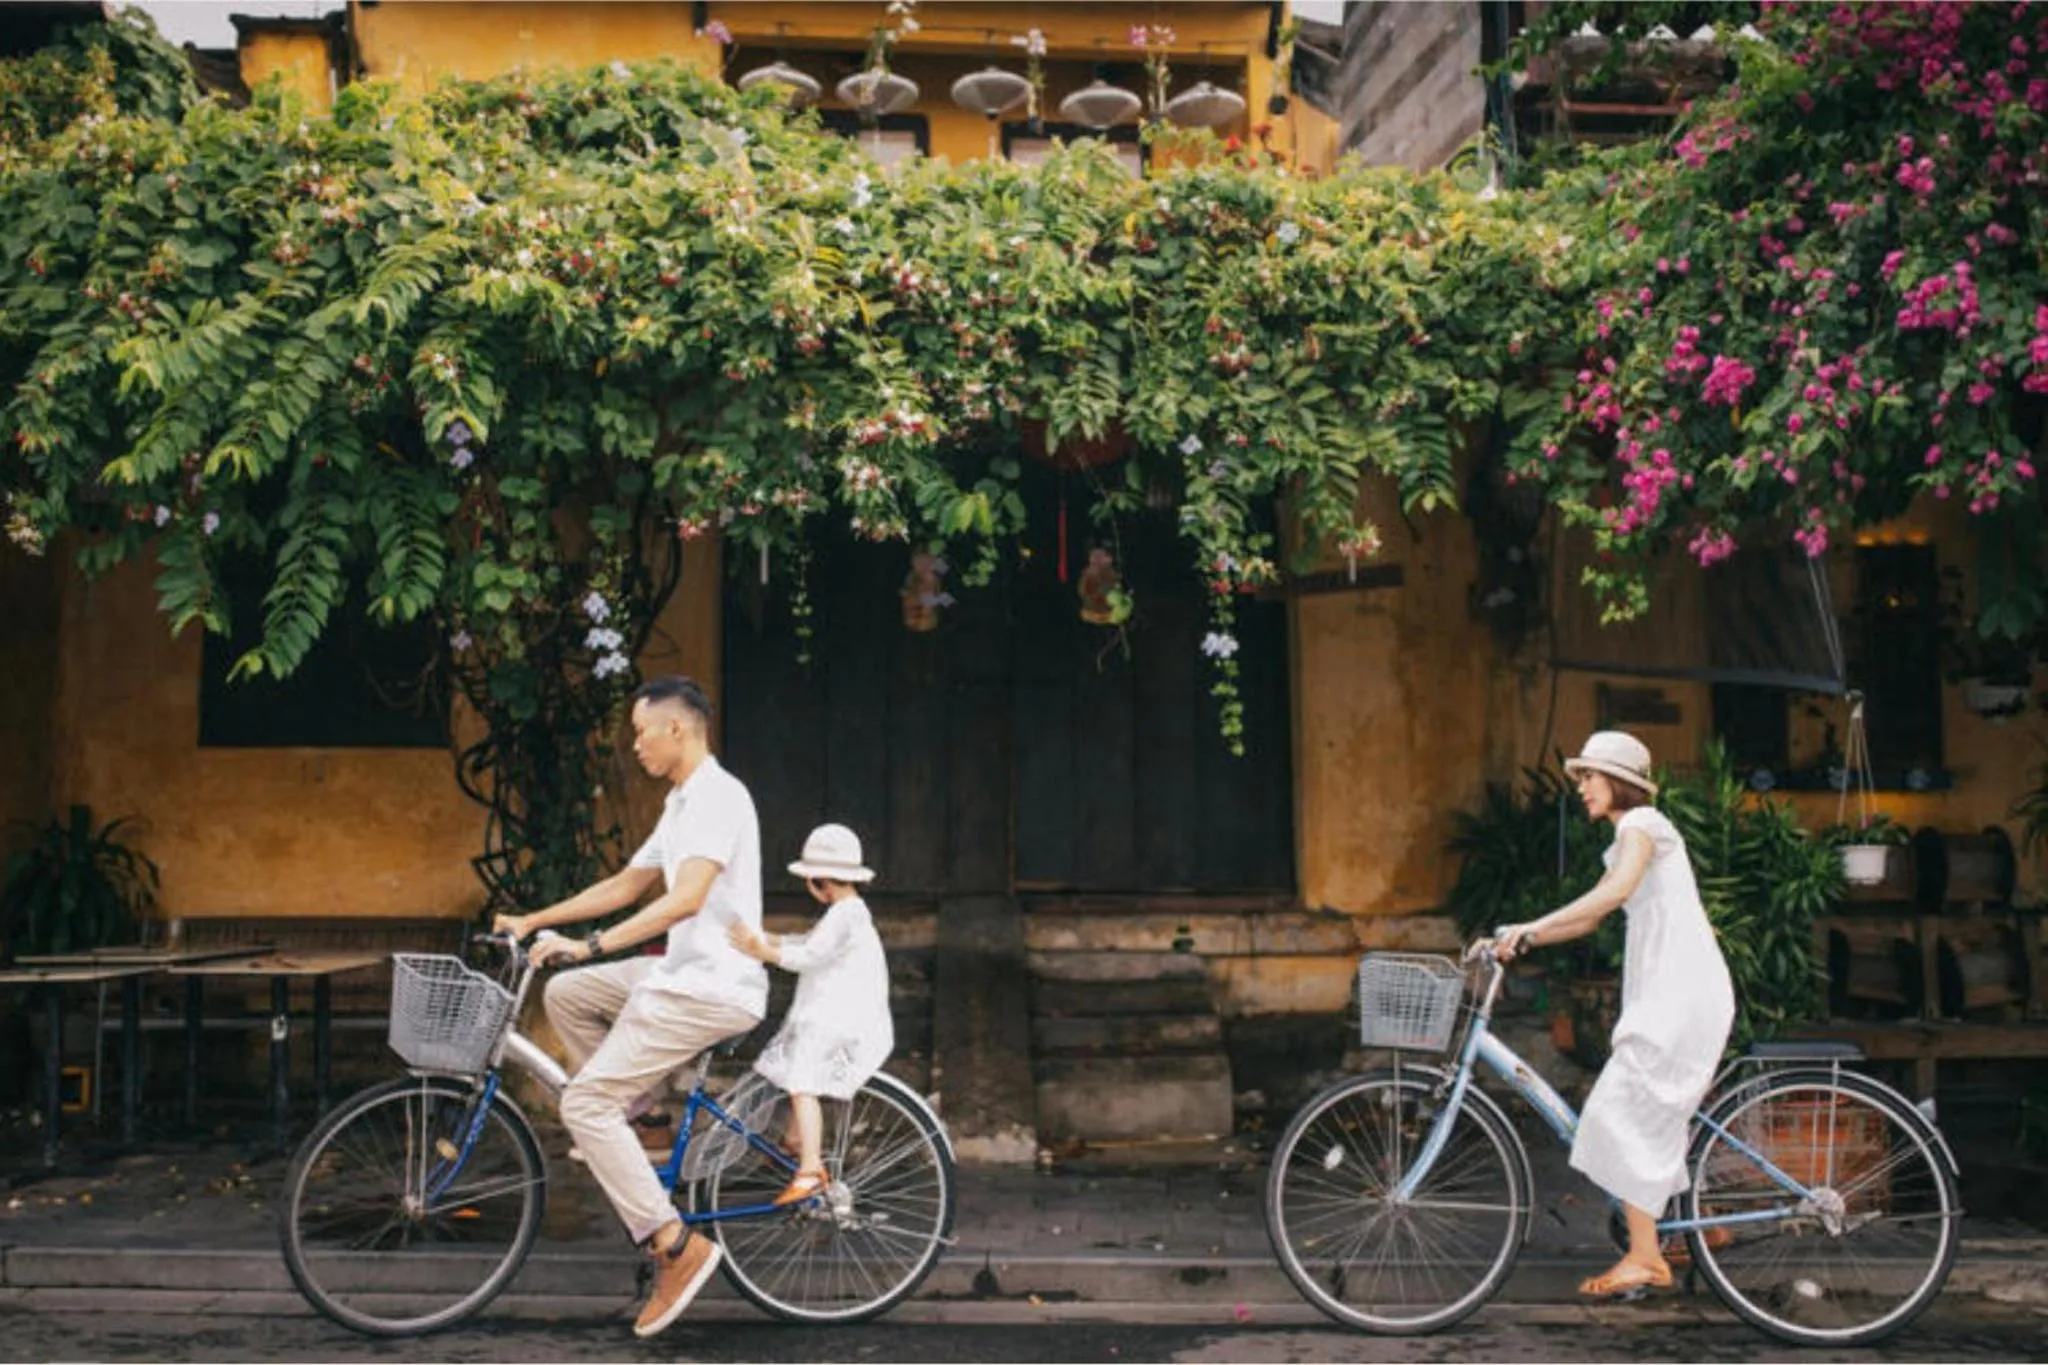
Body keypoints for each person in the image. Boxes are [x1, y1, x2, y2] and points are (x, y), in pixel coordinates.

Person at [493, 674, 765, 1339]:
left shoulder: (719, 799)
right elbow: (629, 882)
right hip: (674, 974)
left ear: (679, 728)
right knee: (568, 992)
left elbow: (685, 897)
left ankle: (675, 1244)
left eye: (642, 731)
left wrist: (592, 945)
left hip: (713, 988)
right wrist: (536, 920)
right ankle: (645, 1121)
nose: (634, 744)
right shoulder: (680, 803)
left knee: (584, 1102)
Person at [1491, 730, 1735, 1301]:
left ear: (1619, 782)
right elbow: (1590, 917)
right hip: (1671, 991)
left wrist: (1529, 929)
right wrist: (1528, 932)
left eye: (1589, 777)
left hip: (1681, 993)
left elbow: (1611, 894)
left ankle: (1647, 1257)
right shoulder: (1634, 835)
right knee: (1644, 1111)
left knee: (1618, 1111)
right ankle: (1697, 1224)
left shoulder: (1642, 826)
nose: (1580, 788)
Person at [728, 823, 894, 1206]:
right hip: (831, 1012)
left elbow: (809, 956)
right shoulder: (849, 911)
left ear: (820, 882)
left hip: (836, 1017)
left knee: (803, 1082)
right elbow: (809, 943)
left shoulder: (845, 914)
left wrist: (764, 951)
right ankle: (797, 1139)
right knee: (797, 1075)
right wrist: (765, 939)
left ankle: (809, 1168)